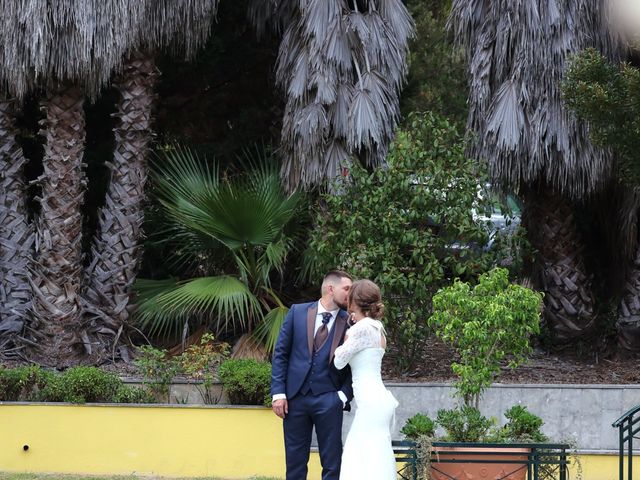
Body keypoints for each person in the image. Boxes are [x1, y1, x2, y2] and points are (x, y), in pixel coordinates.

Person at [271, 270, 354, 480]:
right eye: (347, 289)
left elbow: (356, 365)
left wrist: (342, 396)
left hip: (329, 398)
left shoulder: (350, 322)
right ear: (330, 288)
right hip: (295, 399)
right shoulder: (297, 312)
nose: (350, 294)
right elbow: (281, 353)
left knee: (332, 461)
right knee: (295, 461)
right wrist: (278, 393)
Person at [333, 279, 399, 480]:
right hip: (377, 400)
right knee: (374, 456)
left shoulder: (361, 329)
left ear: (355, 301)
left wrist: (345, 339)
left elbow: (339, 361)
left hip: (370, 403)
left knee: (358, 456)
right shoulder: (378, 328)